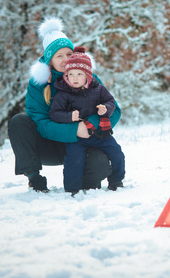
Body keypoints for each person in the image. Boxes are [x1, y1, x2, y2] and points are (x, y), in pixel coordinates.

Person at [8, 17, 121, 192]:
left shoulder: (85, 76)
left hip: (83, 142)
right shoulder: (38, 84)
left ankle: (85, 182)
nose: (65, 59)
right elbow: (40, 122)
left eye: (69, 54)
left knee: (99, 164)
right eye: (58, 56)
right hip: (50, 145)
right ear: (49, 60)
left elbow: (114, 110)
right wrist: (73, 130)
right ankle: (34, 178)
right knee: (18, 122)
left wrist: (90, 124)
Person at [49, 47, 125, 195]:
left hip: (100, 134)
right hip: (77, 137)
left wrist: (105, 109)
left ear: (88, 75)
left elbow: (111, 102)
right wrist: (69, 116)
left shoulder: (99, 89)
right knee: (74, 160)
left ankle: (116, 181)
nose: (74, 78)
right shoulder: (63, 94)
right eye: (70, 74)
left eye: (79, 74)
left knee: (117, 153)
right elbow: (54, 114)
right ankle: (72, 189)